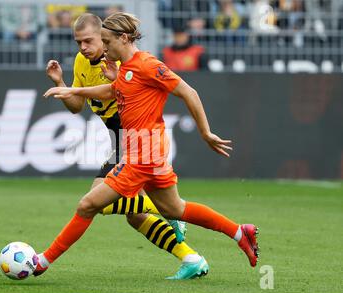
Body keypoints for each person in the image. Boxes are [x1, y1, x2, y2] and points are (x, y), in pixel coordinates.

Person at [40, 12, 259, 279]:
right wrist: (71, 89)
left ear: (122, 37)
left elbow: (189, 92)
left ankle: (42, 261)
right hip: (142, 149)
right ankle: (239, 232)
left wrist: (205, 132)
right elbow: (111, 91)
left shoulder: (146, 65)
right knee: (174, 209)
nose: (104, 49)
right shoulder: (125, 67)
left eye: (105, 42)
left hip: (140, 152)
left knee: (88, 205)